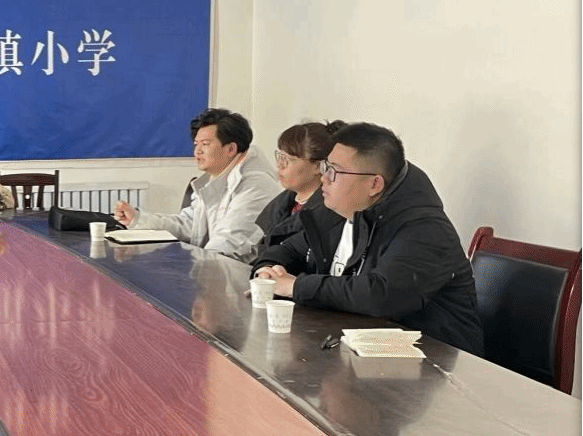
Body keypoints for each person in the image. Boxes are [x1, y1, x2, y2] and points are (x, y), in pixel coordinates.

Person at [250, 122, 484, 356]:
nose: (324, 178)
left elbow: (381, 294)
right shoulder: (344, 209)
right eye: (325, 166)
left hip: (434, 361)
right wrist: (268, 272)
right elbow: (289, 249)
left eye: (334, 171)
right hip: (361, 350)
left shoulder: (425, 229)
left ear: (374, 184)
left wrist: (296, 286)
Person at [113, 107, 280, 262]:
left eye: (205, 144)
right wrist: (139, 219)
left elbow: (228, 243)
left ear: (231, 149)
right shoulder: (215, 178)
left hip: (239, 277)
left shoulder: (257, 185)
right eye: (196, 144)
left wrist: (196, 271)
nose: (197, 151)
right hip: (214, 269)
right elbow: (188, 225)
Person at [255, 120, 347, 249]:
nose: (279, 164)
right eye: (280, 156)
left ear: (318, 166)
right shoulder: (281, 204)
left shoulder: (329, 215)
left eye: (288, 159)